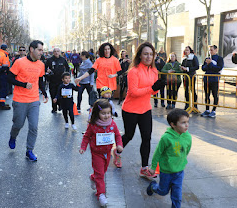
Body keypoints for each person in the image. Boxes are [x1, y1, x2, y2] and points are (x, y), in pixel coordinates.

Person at [120, 42, 165, 178]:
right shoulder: (133, 71)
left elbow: (152, 93)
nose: (148, 57)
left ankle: (144, 168)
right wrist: (152, 88)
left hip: (145, 109)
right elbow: (133, 92)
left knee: (147, 138)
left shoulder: (154, 71)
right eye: (145, 54)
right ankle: (116, 152)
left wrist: (158, 87)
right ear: (139, 55)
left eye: (151, 54)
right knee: (129, 135)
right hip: (130, 109)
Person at [7, 40, 48, 161]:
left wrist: (45, 93)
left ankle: (29, 150)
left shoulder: (41, 64)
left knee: (34, 127)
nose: (41, 52)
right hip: (20, 99)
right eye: (39, 50)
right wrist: (23, 84)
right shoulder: (19, 62)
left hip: (34, 99)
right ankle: (13, 136)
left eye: (42, 50)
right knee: (18, 124)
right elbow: (9, 78)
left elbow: (40, 80)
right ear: (32, 49)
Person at [79, 99, 123, 207]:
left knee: (102, 171)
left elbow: (117, 135)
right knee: (101, 175)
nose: (106, 115)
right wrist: (83, 147)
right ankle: (101, 194)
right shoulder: (93, 125)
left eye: (108, 113)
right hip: (96, 153)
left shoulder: (112, 123)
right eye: (103, 113)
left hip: (107, 153)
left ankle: (93, 177)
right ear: (97, 113)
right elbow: (86, 136)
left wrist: (119, 144)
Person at [147, 109, 191, 208]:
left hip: (179, 171)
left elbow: (186, 150)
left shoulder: (187, 136)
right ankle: (153, 187)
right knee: (163, 192)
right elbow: (158, 153)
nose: (187, 125)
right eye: (183, 122)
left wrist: (182, 161)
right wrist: (153, 167)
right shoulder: (166, 138)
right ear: (173, 124)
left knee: (177, 196)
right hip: (166, 171)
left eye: (187, 122)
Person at [201, 45, 224, 118]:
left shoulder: (219, 59)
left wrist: (210, 63)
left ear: (216, 50)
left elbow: (218, 68)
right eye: (209, 50)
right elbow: (203, 68)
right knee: (207, 95)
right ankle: (207, 110)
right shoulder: (207, 58)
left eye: (212, 50)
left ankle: (214, 110)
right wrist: (207, 64)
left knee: (214, 95)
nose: (210, 51)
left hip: (214, 79)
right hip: (207, 79)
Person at [45, 47, 70, 113]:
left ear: (60, 52)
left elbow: (67, 68)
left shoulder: (63, 59)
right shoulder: (49, 60)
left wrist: (67, 77)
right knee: (53, 94)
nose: (56, 52)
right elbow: (44, 68)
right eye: (55, 51)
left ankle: (60, 105)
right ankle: (54, 108)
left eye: (58, 51)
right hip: (52, 80)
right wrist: (47, 71)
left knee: (61, 94)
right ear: (53, 52)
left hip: (61, 81)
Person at [181, 46, 199, 110]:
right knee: (186, 91)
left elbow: (197, 66)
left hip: (192, 76)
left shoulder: (194, 57)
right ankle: (187, 105)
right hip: (185, 77)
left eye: (187, 50)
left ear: (190, 51)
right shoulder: (184, 58)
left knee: (192, 90)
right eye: (185, 50)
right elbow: (182, 66)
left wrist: (187, 69)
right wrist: (181, 68)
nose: (186, 51)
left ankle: (195, 106)